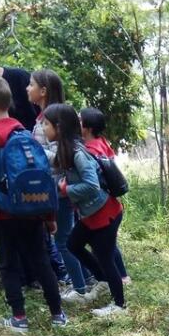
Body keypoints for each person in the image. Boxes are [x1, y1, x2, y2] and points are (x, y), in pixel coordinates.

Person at [0, 75, 68, 331]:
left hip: (3, 213)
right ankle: (58, 315)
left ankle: (19, 318)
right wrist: (49, 217)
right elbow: (42, 176)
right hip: (34, 209)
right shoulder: (25, 133)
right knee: (41, 260)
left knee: (9, 263)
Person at [45, 104, 128, 318]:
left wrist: (67, 189)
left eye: (46, 124)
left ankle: (119, 305)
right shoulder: (67, 150)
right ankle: (102, 280)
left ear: (59, 127)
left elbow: (92, 185)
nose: (43, 128)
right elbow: (54, 164)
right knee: (73, 244)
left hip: (104, 213)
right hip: (91, 214)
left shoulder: (78, 153)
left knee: (105, 256)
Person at [24, 69, 80, 294]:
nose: (27, 89)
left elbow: (60, 158)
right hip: (53, 189)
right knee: (63, 239)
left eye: (31, 84)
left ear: (43, 91)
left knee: (64, 241)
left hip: (58, 190)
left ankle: (80, 286)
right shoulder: (42, 120)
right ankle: (82, 280)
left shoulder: (53, 120)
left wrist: (33, 150)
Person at [77, 106, 130, 291]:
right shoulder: (102, 143)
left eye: (79, 119)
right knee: (106, 246)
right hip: (109, 204)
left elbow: (93, 182)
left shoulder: (90, 150)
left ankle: (118, 283)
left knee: (104, 249)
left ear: (87, 127)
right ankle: (120, 277)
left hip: (102, 206)